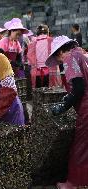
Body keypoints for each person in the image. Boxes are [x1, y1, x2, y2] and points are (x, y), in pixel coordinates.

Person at [45, 36, 88, 189]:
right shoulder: (81, 54)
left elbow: (79, 88)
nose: (60, 62)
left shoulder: (69, 58)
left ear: (61, 51)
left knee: (81, 147)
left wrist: (64, 105)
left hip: (86, 108)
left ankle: (74, 182)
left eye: (58, 58)